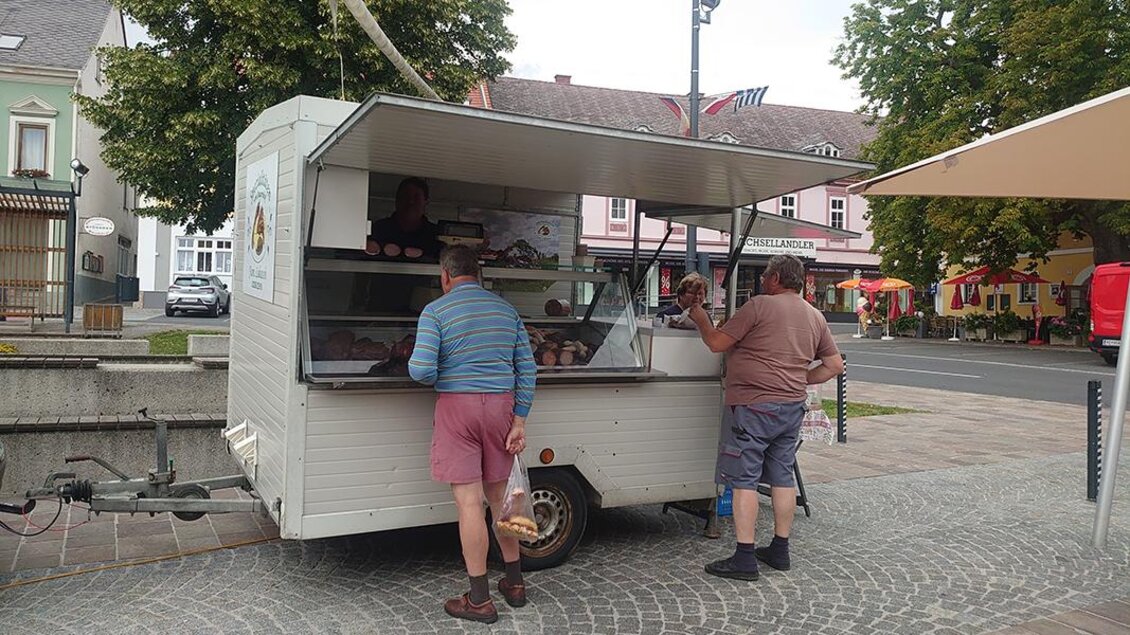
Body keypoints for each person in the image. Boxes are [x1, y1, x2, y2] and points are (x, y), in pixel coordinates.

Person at [686, 254, 844, 581]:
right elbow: (834, 365)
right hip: (791, 407)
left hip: (753, 406)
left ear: (775, 278)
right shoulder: (815, 316)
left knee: (744, 478)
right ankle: (779, 549)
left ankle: (745, 557)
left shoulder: (759, 306)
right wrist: (800, 378)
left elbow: (716, 343)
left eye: (765, 276)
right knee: (781, 476)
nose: (761, 281)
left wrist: (699, 316)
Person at [408, 245, 537, 624]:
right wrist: (520, 420)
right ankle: (514, 583)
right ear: (477, 274)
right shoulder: (506, 310)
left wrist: (445, 372)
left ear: (444, 276)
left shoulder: (436, 311)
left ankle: (479, 599)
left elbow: (420, 369)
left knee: (469, 504)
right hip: (501, 408)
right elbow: (527, 370)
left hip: (457, 410)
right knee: (501, 500)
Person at [366, 177, 443, 259]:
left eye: (416, 197)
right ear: (397, 199)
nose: (411, 201)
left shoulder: (434, 234)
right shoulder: (379, 229)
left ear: (426, 201)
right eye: (406, 196)